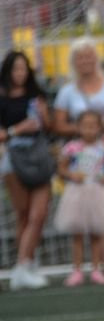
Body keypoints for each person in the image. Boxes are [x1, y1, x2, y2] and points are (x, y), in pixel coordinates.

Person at [52, 37, 104, 281]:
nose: (85, 61)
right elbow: (58, 124)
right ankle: (89, 267)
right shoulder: (67, 91)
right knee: (88, 218)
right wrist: (85, 130)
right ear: (73, 62)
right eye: (80, 57)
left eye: (89, 56)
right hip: (83, 161)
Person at [53, 110, 104, 286]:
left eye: (93, 126)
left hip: (97, 192)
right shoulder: (72, 148)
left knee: (96, 233)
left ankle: (95, 269)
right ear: (78, 128)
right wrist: (71, 175)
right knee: (77, 235)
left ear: (99, 128)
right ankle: (77, 270)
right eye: (85, 126)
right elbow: (61, 168)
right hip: (77, 193)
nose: (89, 130)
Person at [0, 50, 52, 290]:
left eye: (23, 68)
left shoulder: (36, 95)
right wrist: (18, 129)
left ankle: (25, 263)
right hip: (13, 158)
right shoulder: (2, 98)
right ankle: (24, 264)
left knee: (38, 214)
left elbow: (48, 127)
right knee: (23, 213)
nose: (20, 73)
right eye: (15, 69)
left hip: (38, 155)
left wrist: (43, 115)